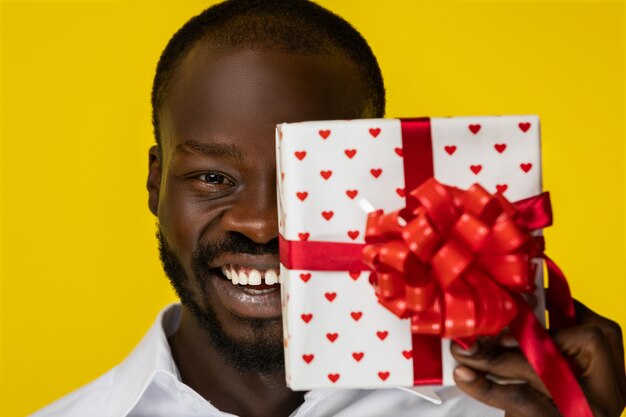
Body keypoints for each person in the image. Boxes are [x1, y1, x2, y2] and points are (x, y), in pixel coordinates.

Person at [32, 1, 626, 416]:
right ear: (156, 183)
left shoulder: (511, 411)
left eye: (309, 178)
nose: (263, 224)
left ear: (383, 174)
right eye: (214, 177)